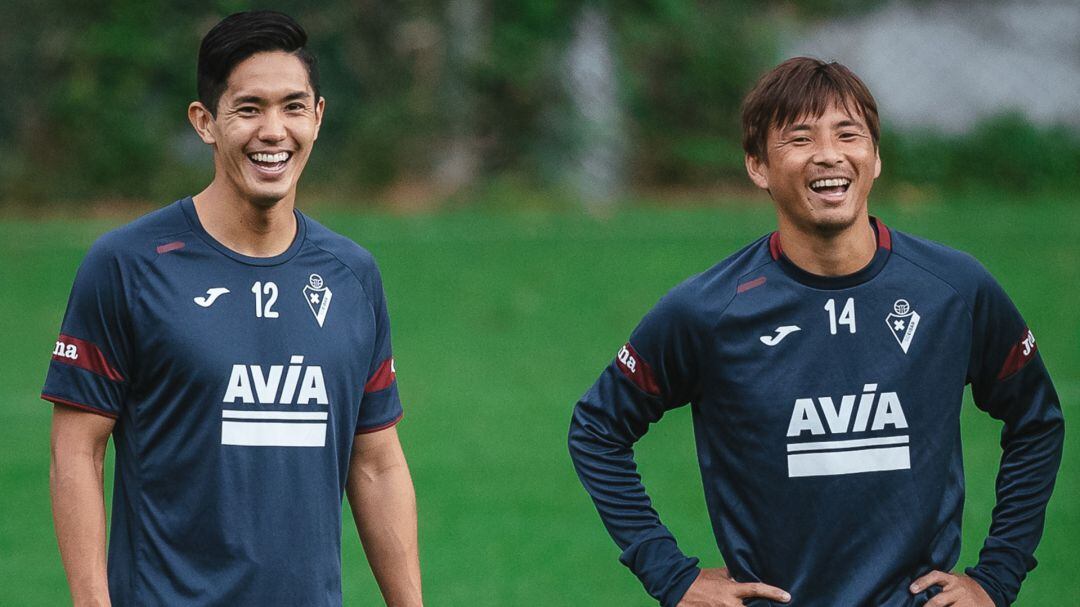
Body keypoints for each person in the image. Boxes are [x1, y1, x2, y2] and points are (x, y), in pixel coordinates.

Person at [567, 57, 1064, 607]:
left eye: (848, 135)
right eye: (799, 138)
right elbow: (597, 428)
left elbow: (1036, 420)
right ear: (757, 166)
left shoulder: (955, 290)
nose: (829, 154)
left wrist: (996, 577)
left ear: (875, 158)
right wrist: (670, 574)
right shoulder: (708, 310)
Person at [43, 11, 422, 606]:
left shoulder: (353, 276)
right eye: (249, 109)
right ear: (206, 122)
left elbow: (376, 463)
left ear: (318, 118)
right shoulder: (127, 265)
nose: (274, 130)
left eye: (293, 107)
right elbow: (76, 450)